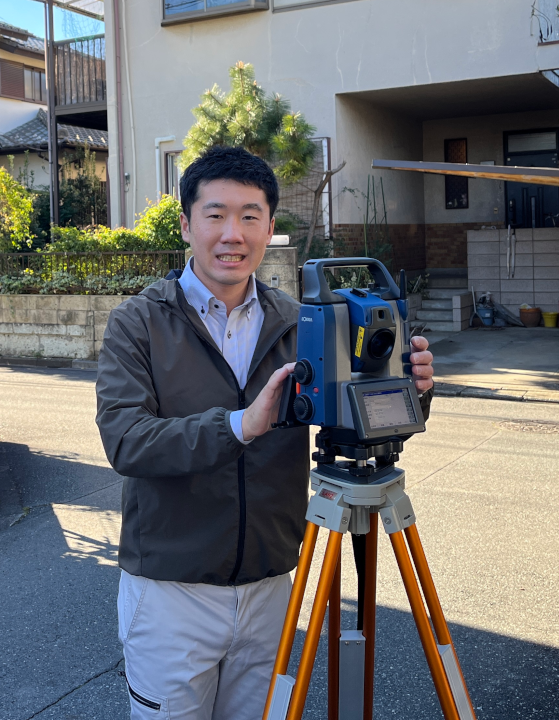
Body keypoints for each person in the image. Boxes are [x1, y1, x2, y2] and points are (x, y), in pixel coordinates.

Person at [95, 146, 435, 720]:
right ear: (186, 224)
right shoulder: (139, 322)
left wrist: (412, 388)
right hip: (172, 592)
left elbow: (353, 422)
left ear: (271, 227)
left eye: (250, 216)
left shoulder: (300, 320)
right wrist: (239, 425)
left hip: (275, 585)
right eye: (216, 214)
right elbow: (126, 440)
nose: (233, 233)